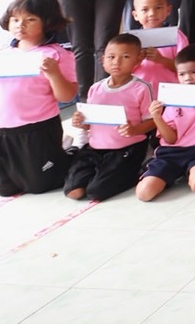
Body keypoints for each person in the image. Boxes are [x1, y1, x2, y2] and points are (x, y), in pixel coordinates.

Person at [0, 0, 77, 196]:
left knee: (41, 185)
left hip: (37, 130)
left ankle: (69, 151)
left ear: (48, 22)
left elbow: (66, 96)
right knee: (4, 189)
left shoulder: (56, 55)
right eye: (15, 19)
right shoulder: (0, 55)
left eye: (30, 19)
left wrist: (54, 74)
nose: (20, 25)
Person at [63, 34, 155, 202]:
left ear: (137, 60)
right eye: (111, 57)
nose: (116, 62)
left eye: (125, 57)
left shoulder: (141, 88)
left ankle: (138, 168)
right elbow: (90, 124)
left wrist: (134, 129)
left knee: (96, 191)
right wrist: (81, 123)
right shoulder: (95, 88)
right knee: (73, 191)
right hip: (95, 148)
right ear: (102, 60)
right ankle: (102, 171)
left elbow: (152, 121)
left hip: (126, 149)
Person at [136, 44, 195, 201]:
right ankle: (176, 172)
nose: (187, 78)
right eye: (182, 74)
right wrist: (157, 117)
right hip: (173, 151)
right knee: (144, 193)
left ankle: (190, 172)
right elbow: (170, 139)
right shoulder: (174, 95)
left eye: (194, 72)